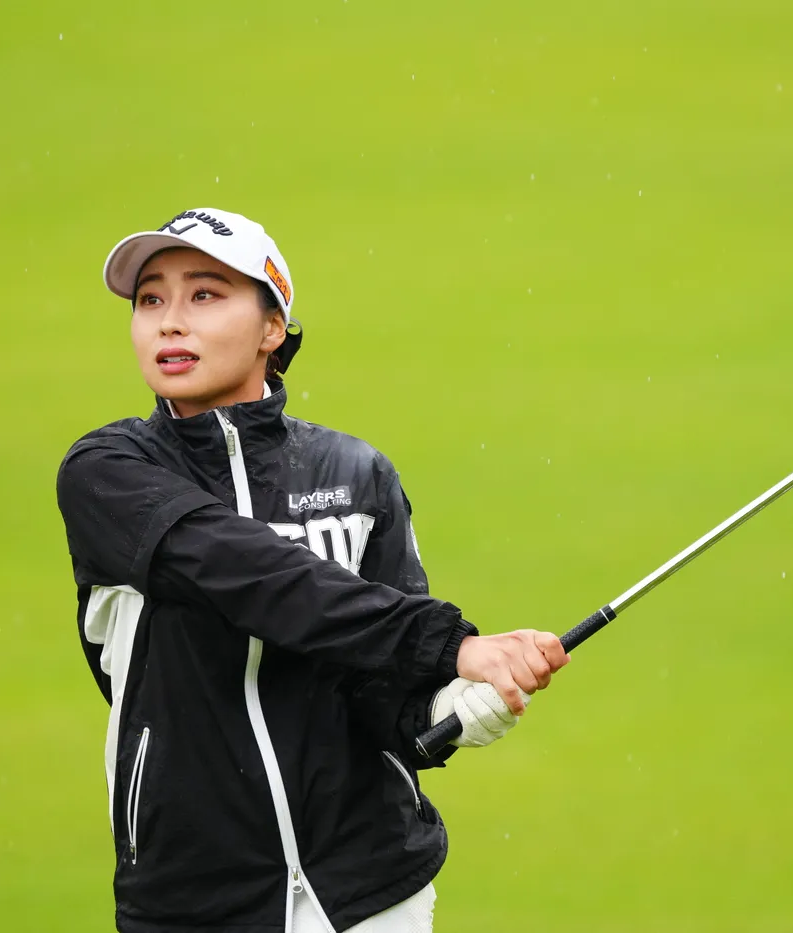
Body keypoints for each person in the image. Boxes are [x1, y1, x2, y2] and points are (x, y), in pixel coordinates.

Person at [55, 207, 569, 933]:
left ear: (273, 327)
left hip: (370, 893)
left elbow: (380, 693)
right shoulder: (107, 472)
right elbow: (256, 578)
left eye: (204, 295)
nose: (170, 322)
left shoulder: (354, 473)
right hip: (194, 898)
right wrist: (450, 643)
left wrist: (448, 710)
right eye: (150, 300)